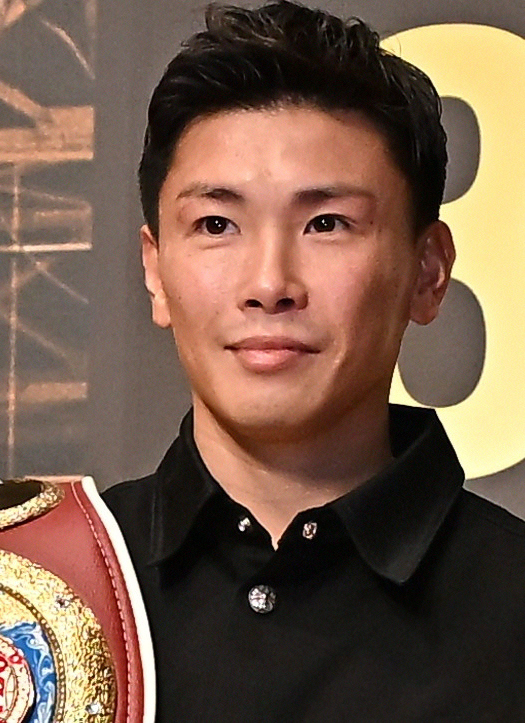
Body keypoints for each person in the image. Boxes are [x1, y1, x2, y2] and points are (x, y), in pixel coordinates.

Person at [102, 1, 525, 720]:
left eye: (326, 223)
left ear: (428, 272)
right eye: (216, 224)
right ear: (155, 269)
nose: (270, 283)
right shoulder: (40, 595)